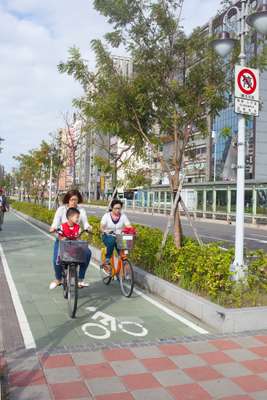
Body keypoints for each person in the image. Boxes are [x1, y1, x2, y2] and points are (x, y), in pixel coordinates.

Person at [49, 189, 92, 290]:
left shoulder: (81, 210)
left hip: (75, 241)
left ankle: (80, 279)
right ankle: (58, 279)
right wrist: (53, 228)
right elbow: (55, 223)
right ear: (68, 200)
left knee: (87, 253)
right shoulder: (61, 210)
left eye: (76, 200)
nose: (74, 202)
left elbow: (86, 223)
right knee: (56, 258)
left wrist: (88, 227)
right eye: (72, 199)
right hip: (62, 240)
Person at [100, 199, 131, 267]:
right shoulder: (106, 216)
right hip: (107, 236)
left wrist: (132, 231)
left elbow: (128, 225)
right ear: (112, 208)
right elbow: (101, 227)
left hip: (119, 237)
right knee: (112, 240)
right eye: (116, 208)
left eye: (119, 208)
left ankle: (123, 271)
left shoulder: (123, 216)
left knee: (123, 252)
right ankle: (107, 258)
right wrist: (105, 231)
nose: (118, 210)